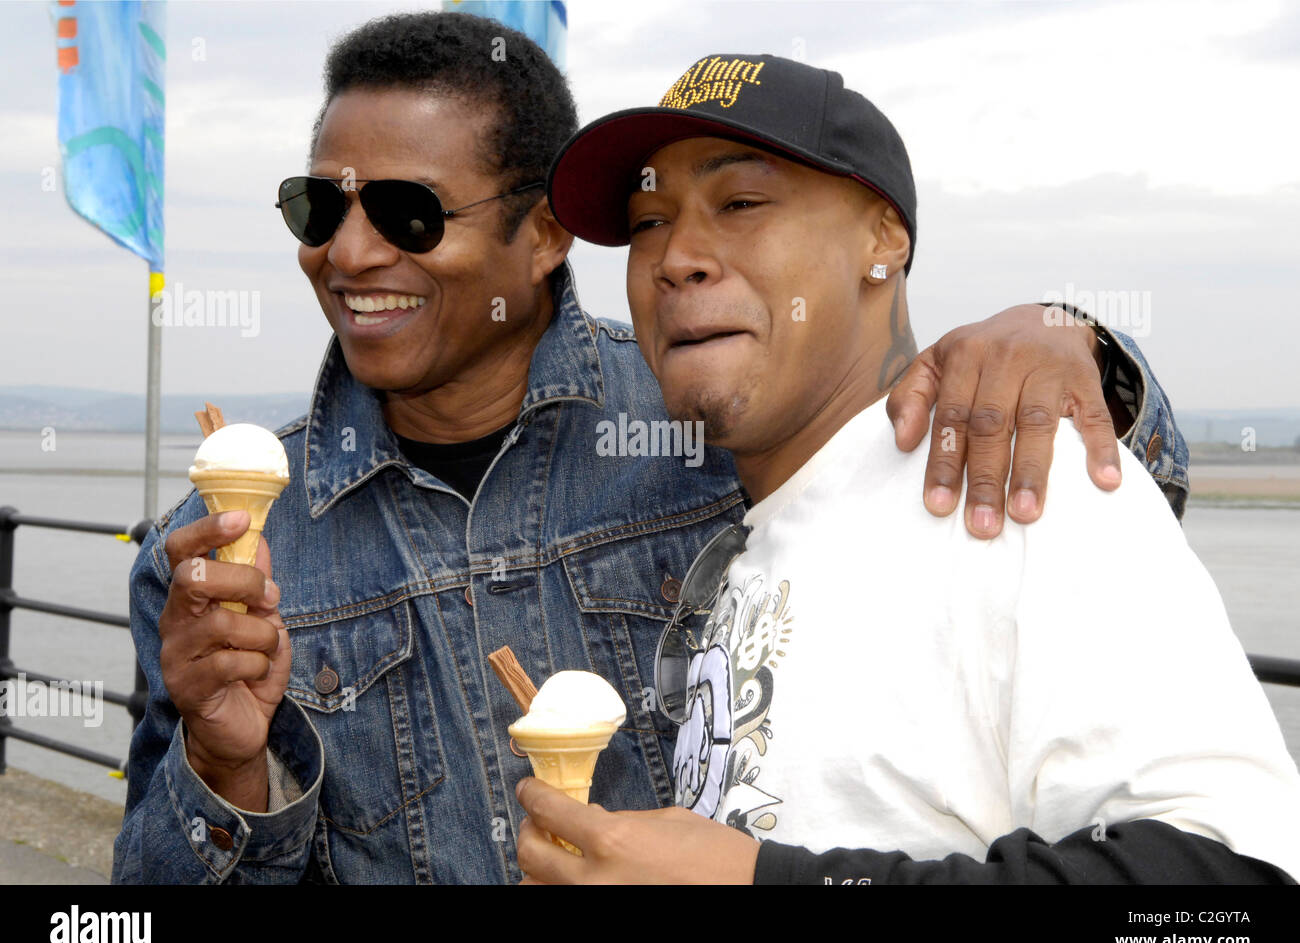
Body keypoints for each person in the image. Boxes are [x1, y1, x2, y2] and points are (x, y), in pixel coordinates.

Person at [113, 16, 1186, 885]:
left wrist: (1080, 346)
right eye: (318, 206)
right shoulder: (211, 563)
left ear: (541, 238)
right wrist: (224, 767)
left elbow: (1035, 481)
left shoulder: (720, 410)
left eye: (407, 213)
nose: (347, 253)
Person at [513, 52, 1300, 884]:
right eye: (647, 224)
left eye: (740, 202)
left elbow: (1228, 894)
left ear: (883, 238)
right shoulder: (751, 537)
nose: (677, 257)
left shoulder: (1011, 476)